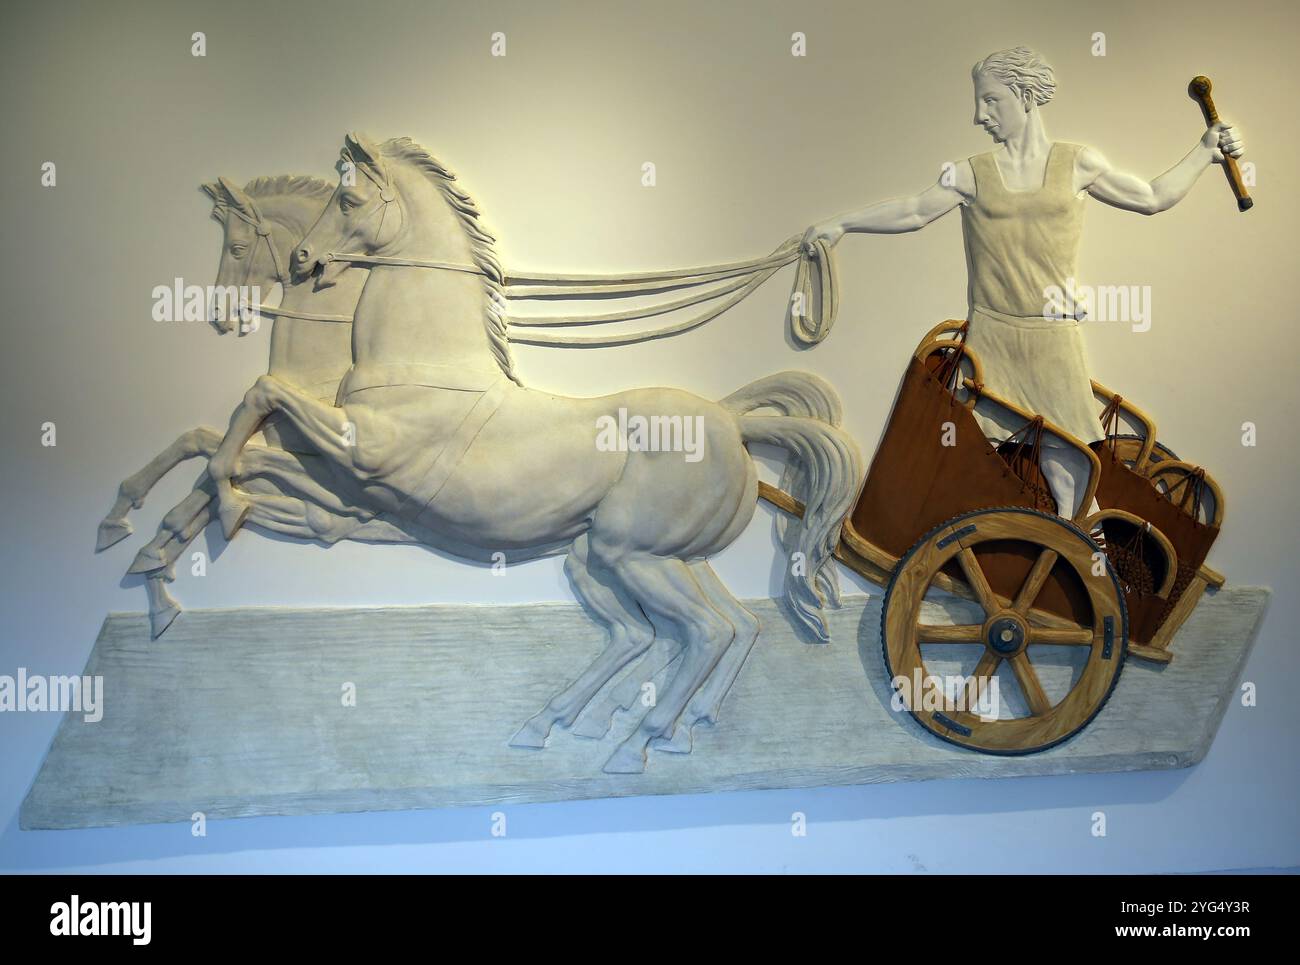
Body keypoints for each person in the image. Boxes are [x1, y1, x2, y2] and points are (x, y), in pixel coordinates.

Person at [802, 46, 1244, 519]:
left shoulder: (1077, 163)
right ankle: (998, 546)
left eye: (991, 101)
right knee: (965, 454)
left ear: (1025, 96)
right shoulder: (970, 174)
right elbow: (913, 211)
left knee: (1069, 460)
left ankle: (1083, 556)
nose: (979, 115)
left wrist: (1204, 153)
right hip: (992, 340)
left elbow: (1152, 197)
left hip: (1053, 339)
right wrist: (842, 224)